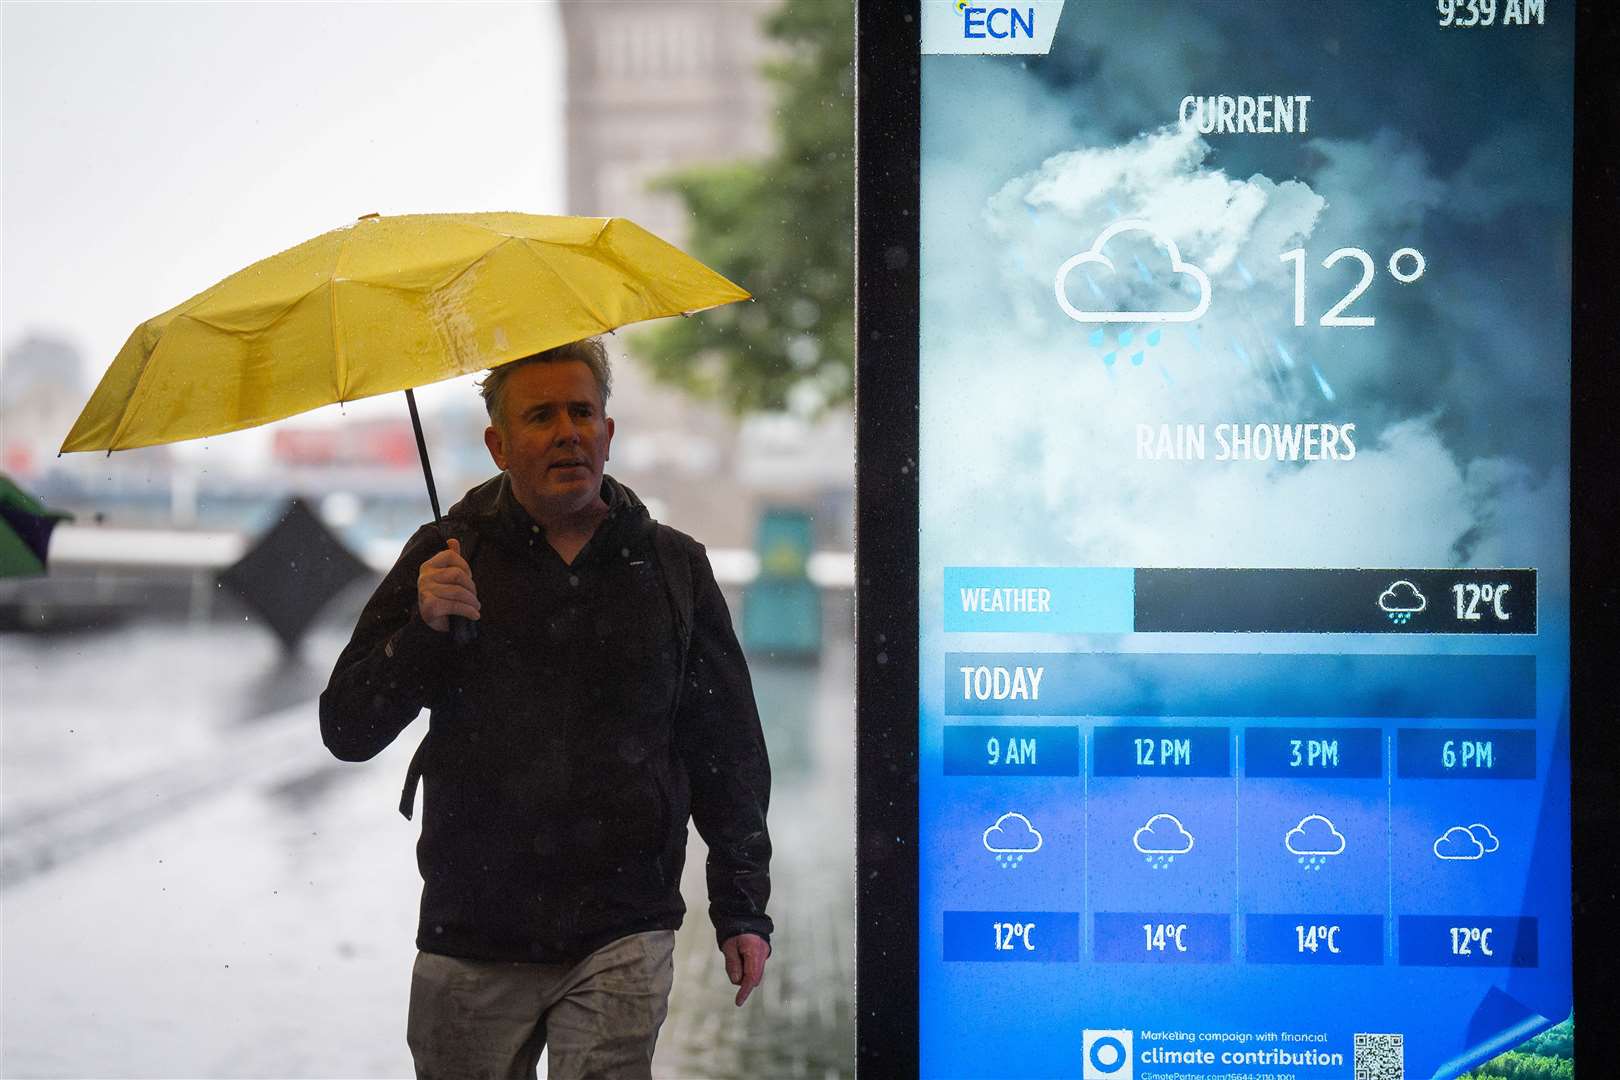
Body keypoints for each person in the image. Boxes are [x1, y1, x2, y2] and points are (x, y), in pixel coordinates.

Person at [318, 337, 773, 1080]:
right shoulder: (445, 556)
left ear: (608, 431)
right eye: (540, 417)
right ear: (498, 444)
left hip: (625, 925)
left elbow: (726, 749)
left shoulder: (672, 566)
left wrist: (743, 907)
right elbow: (347, 728)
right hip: (473, 932)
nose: (568, 431)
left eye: (582, 411)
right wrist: (424, 632)